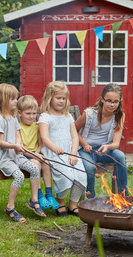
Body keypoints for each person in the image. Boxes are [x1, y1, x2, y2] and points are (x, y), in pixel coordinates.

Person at [0, 83, 45, 223]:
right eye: (13, 99)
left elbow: (17, 135)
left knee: (34, 168)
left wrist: (19, 145)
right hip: (2, 158)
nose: (16, 101)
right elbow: (1, 142)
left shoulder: (13, 118)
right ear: (3, 100)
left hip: (14, 155)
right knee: (19, 176)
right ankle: (10, 207)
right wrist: (14, 145)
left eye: (16, 98)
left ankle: (34, 200)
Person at [38, 81, 87, 217]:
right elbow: (44, 137)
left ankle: (72, 204)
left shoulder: (68, 117)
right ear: (50, 98)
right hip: (54, 154)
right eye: (58, 98)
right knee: (66, 177)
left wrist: (73, 154)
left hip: (71, 153)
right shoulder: (45, 117)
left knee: (81, 176)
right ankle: (60, 202)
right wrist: (55, 148)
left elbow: (75, 137)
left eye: (64, 99)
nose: (61, 101)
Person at [75, 83, 128, 198]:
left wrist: (107, 147)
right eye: (109, 100)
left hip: (105, 150)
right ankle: (90, 200)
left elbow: (116, 144)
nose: (112, 104)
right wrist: (84, 144)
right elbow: (73, 130)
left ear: (119, 101)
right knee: (89, 167)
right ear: (102, 100)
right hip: (86, 150)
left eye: (115, 101)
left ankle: (124, 197)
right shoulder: (89, 114)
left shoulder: (119, 116)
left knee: (121, 157)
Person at [17, 95, 59, 210]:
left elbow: (40, 144)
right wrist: (36, 156)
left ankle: (49, 195)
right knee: (37, 164)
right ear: (19, 113)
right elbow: (22, 149)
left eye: (34, 113)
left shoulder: (36, 127)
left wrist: (38, 153)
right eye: (28, 113)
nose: (32, 117)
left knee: (47, 163)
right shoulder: (18, 128)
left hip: (36, 153)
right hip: (24, 156)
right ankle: (39, 196)